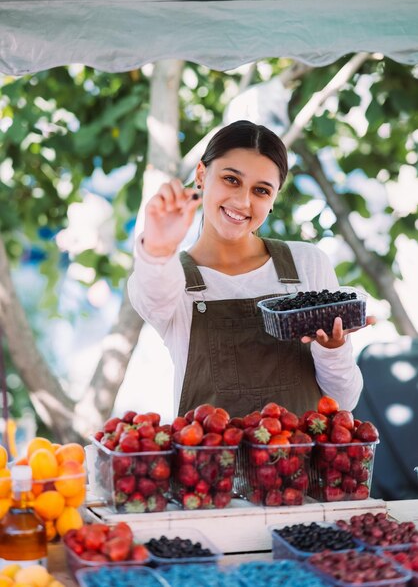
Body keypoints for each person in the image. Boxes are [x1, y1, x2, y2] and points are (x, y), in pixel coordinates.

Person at [128, 120, 373, 418]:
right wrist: (158, 248)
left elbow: (343, 401)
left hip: (298, 462)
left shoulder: (307, 264)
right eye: (231, 179)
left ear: (273, 200)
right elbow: (151, 295)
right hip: (212, 464)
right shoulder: (171, 277)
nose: (243, 201)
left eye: (261, 190)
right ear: (201, 175)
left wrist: (333, 348)